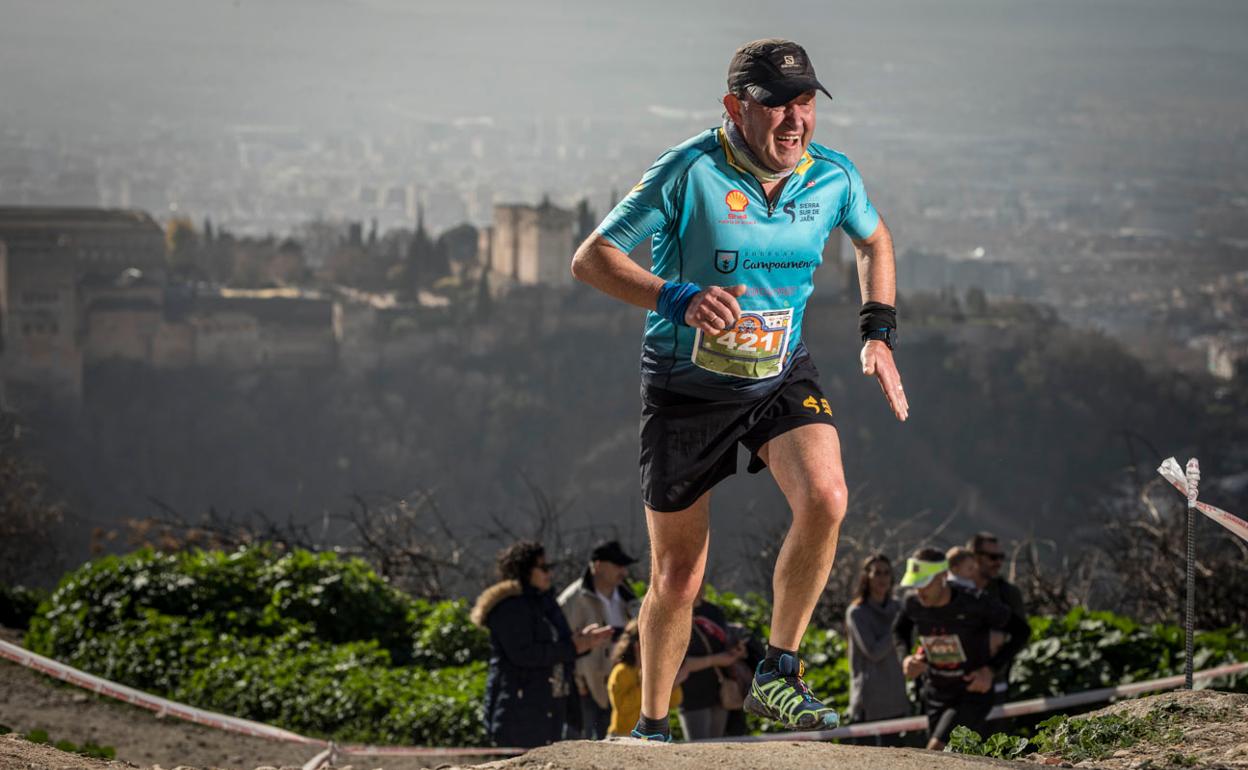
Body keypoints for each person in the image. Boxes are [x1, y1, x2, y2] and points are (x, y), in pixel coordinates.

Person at [570, 37, 907, 741]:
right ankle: (655, 726)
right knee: (678, 577)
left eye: (806, 102)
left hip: (781, 373)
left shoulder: (833, 177)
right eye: (775, 103)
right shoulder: (687, 171)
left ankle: (779, 673)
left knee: (827, 498)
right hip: (687, 391)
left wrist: (877, 331)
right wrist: (676, 298)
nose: (794, 119)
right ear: (734, 107)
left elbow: (875, 242)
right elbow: (591, 258)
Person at [471, 540, 614, 748]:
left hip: (552, 708)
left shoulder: (544, 601)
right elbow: (525, 654)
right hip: (520, 710)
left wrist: (583, 642)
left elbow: (557, 646)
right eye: (544, 567)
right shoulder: (510, 607)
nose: (550, 573)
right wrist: (573, 647)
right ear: (525, 570)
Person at [892, 548, 1030, 750]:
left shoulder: (975, 602)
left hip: (971, 691)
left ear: (943, 576)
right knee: (948, 758)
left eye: (924, 583)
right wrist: (905, 658)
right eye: (915, 583)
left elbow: (1021, 631)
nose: (919, 591)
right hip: (935, 692)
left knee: (935, 749)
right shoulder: (913, 603)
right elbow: (899, 630)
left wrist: (991, 670)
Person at [558, 540, 642, 739]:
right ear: (598, 565)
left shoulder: (627, 596)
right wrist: (578, 681)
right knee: (590, 741)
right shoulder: (573, 599)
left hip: (624, 680)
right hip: (587, 685)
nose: (624, 572)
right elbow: (564, 644)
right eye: (618, 565)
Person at [845, 554, 910, 745]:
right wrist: (897, 628)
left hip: (896, 697)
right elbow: (873, 651)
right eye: (877, 573)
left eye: (887, 573)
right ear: (867, 577)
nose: (882, 578)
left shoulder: (898, 607)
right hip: (869, 701)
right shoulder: (857, 612)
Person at [677, 584, 748, 739]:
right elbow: (680, 663)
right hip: (692, 694)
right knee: (698, 748)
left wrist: (735, 651)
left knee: (716, 747)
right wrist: (715, 660)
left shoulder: (713, 611)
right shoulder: (676, 613)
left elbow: (724, 642)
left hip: (719, 689)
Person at [967, 532, 1028, 700]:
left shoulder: (1008, 594)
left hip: (996, 684)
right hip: (958, 685)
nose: (999, 563)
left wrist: (992, 668)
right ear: (974, 557)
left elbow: (1021, 635)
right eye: (993, 557)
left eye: (1001, 557)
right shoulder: (956, 592)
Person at [606, 619, 685, 737]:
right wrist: (645, 685)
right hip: (623, 735)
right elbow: (623, 707)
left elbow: (674, 702)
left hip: (651, 735)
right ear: (638, 646)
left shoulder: (658, 670)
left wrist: (672, 685)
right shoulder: (621, 672)